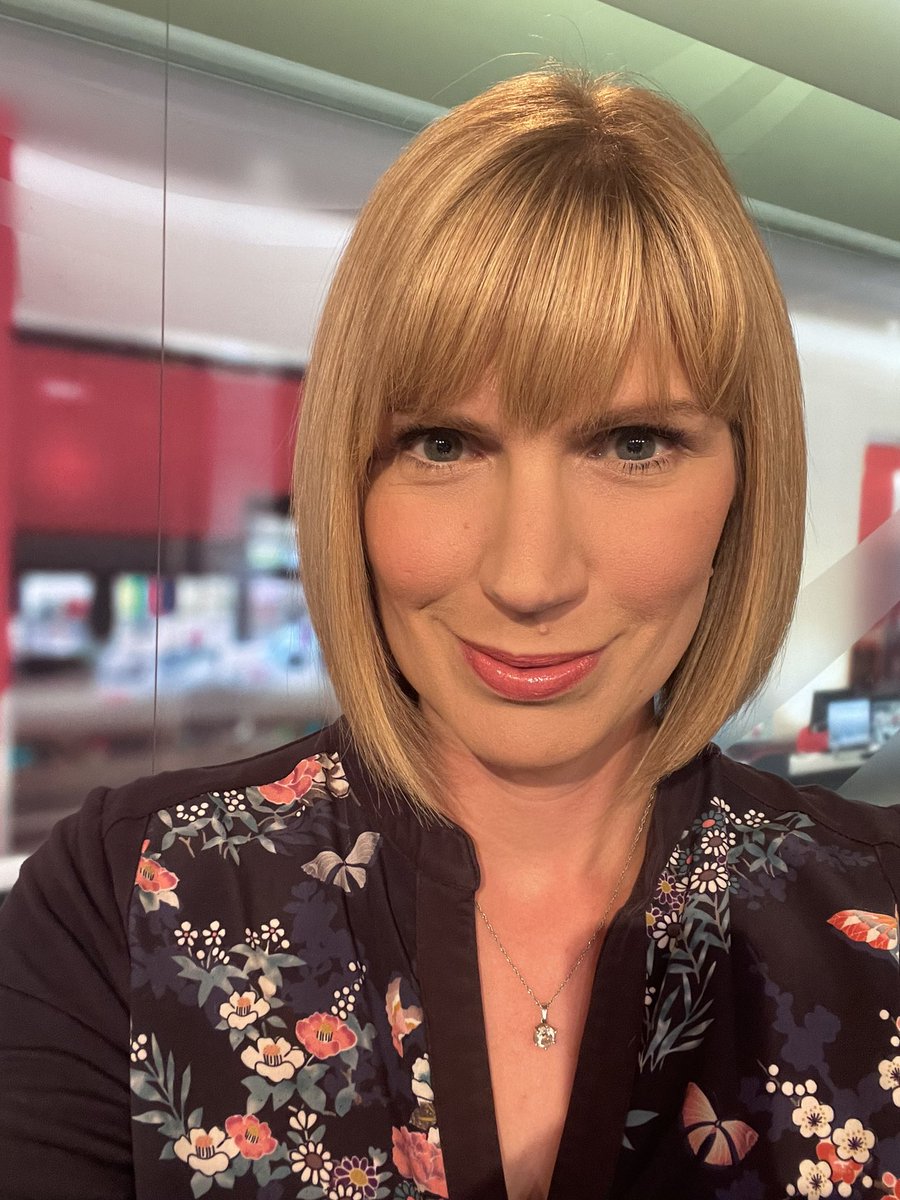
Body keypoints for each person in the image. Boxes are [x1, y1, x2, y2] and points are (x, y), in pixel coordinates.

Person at [1, 68, 898, 1200]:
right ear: (350, 480)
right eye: (443, 444)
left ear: (743, 486)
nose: (530, 578)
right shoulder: (128, 898)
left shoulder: (876, 916)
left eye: (632, 443)